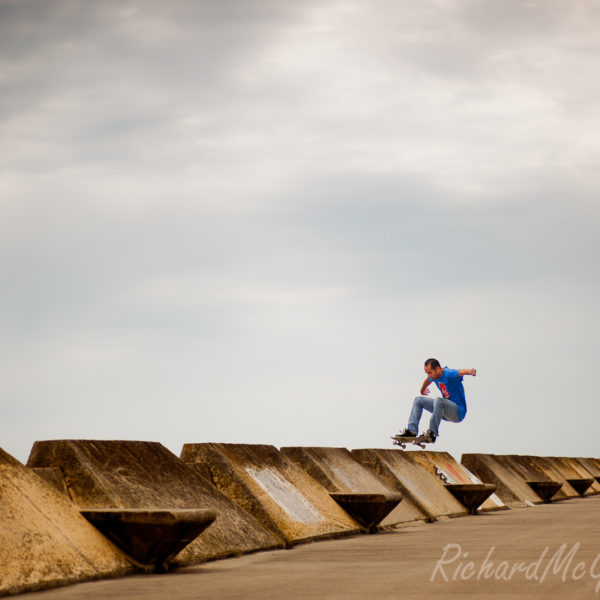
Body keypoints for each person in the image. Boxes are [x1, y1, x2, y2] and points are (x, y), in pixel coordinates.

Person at [397, 358, 476, 443]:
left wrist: (470, 371)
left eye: (430, 373)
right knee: (418, 400)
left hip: (458, 412)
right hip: (443, 411)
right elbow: (428, 380)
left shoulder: (449, 374)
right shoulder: (434, 376)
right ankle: (411, 431)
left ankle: (432, 433)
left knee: (438, 400)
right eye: (427, 373)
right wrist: (422, 389)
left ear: (438, 369)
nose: (429, 376)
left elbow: (460, 372)